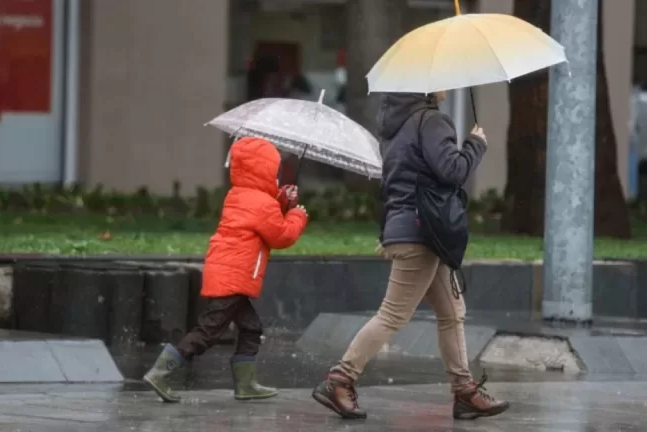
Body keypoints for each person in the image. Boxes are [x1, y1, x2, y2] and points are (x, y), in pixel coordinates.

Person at [312, 92, 510, 420]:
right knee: (393, 315)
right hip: (422, 231)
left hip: (413, 230)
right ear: (427, 86)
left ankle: (464, 392)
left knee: (451, 311)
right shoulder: (431, 121)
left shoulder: (396, 126)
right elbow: (453, 171)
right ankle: (340, 378)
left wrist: (389, 232)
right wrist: (475, 144)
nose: (447, 86)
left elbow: (392, 183)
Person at [143, 136, 308, 403]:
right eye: (274, 171)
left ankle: (246, 385)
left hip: (227, 273)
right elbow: (281, 235)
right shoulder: (261, 204)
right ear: (263, 170)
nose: (276, 176)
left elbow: (262, 214)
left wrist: (282, 198)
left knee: (251, 327)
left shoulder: (240, 194)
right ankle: (160, 373)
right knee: (208, 331)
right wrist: (297, 214)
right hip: (234, 277)